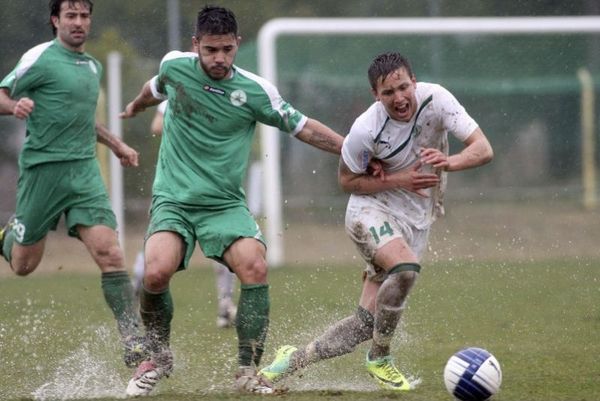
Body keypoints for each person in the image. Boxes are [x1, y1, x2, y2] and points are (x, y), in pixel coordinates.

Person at [119, 5, 348, 396]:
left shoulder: (256, 91)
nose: (219, 58)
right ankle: (158, 357)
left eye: (227, 49)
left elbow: (303, 127)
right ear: (196, 46)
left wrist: (350, 150)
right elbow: (152, 89)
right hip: (174, 199)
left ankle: (246, 371)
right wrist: (136, 107)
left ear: (237, 44)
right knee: (156, 273)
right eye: (211, 50)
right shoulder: (175, 66)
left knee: (254, 267)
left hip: (223, 204)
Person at [259, 51, 494, 391]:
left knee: (363, 324)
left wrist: (449, 162)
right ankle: (380, 357)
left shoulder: (438, 99)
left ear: (414, 81)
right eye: (388, 93)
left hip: (416, 220)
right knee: (406, 269)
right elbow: (346, 182)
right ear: (376, 95)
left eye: (403, 87)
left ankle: (289, 360)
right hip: (370, 212)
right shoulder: (365, 129)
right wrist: (400, 180)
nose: (399, 98)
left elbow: (483, 149)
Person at [0, 0, 145, 368]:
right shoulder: (40, 58)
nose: (79, 23)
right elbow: (1, 94)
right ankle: (6, 236)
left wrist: (118, 145)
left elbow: (82, 120)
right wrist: (12, 107)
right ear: (55, 20)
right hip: (43, 171)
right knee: (23, 265)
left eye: (84, 16)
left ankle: (133, 339)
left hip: (83, 172)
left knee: (110, 253)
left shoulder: (91, 66)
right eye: (71, 16)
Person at [132, 100, 238, 329]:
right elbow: (157, 126)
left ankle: (225, 305)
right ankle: (136, 288)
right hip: (176, 187)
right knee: (158, 245)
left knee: (227, 245)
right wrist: (192, 127)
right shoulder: (176, 96)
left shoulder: (221, 97)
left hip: (213, 186)